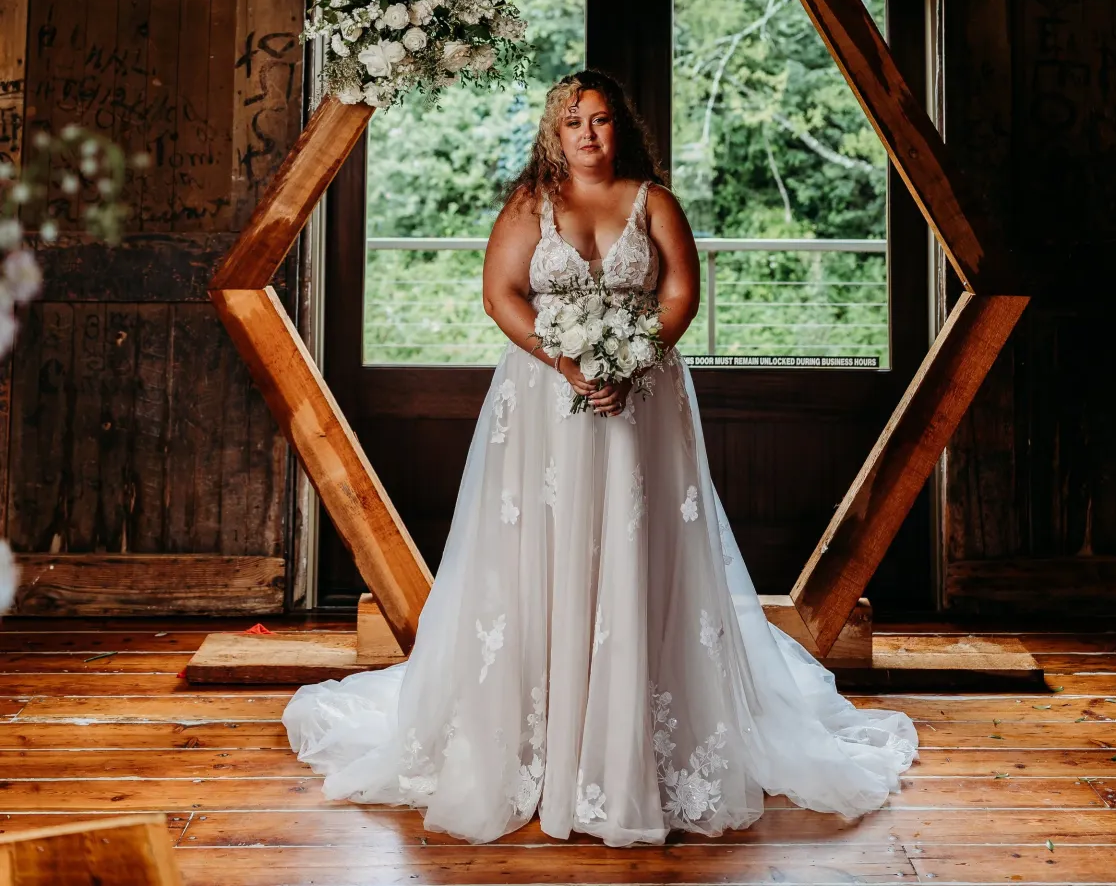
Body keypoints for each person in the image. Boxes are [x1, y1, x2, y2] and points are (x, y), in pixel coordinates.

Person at [284, 69, 917, 845]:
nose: (589, 134)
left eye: (603, 121)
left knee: (636, 549)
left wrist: (634, 357)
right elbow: (501, 296)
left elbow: (681, 292)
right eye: (574, 120)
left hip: (643, 404)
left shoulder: (654, 203)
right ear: (554, 131)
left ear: (624, 130)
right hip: (546, 406)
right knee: (537, 555)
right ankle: (537, 740)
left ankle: (629, 746)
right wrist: (568, 362)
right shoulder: (529, 204)